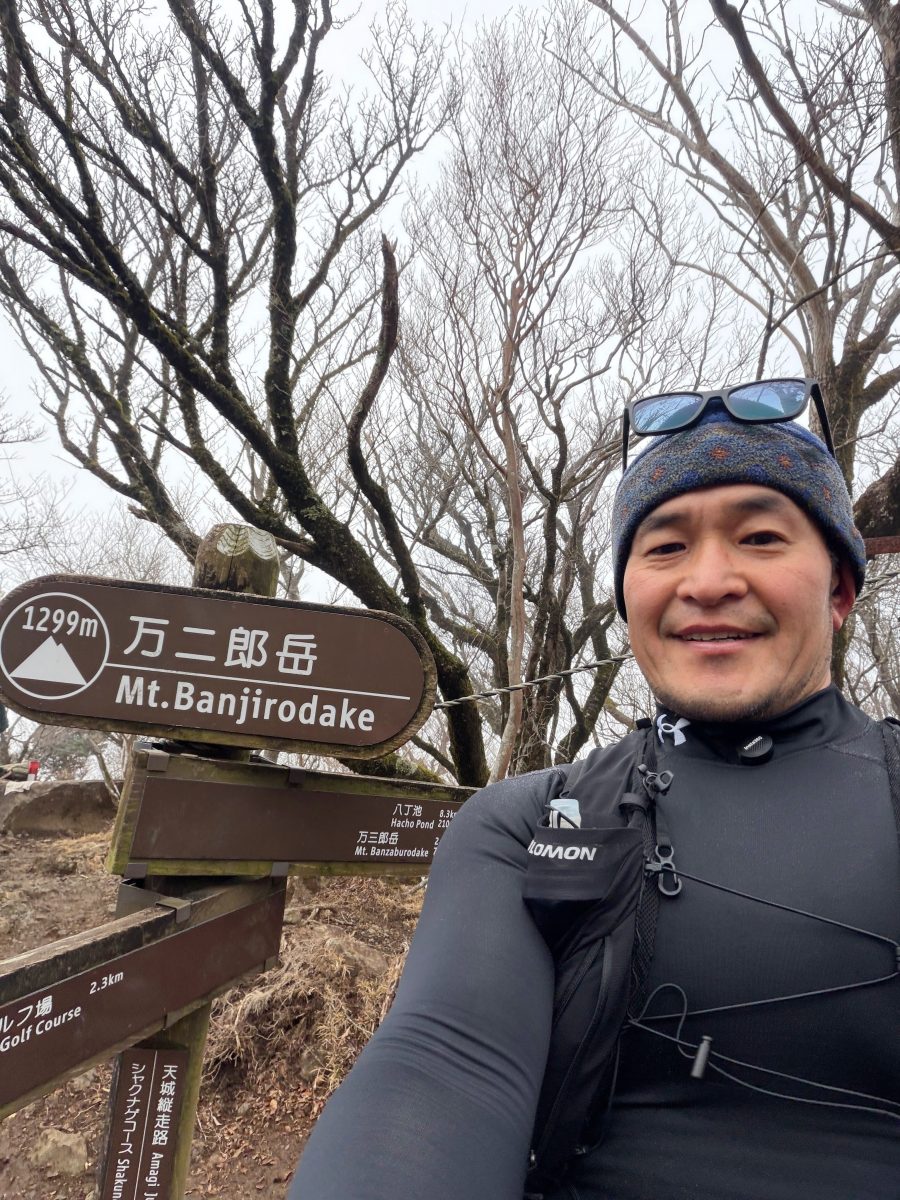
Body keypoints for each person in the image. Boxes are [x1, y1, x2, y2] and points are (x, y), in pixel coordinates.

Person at [289, 380, 900, 1200]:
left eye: (760, 537)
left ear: (841, 590)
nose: (707, 581)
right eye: (665, 548)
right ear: (628, 600)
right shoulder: (529, 822)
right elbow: (440, 1068)